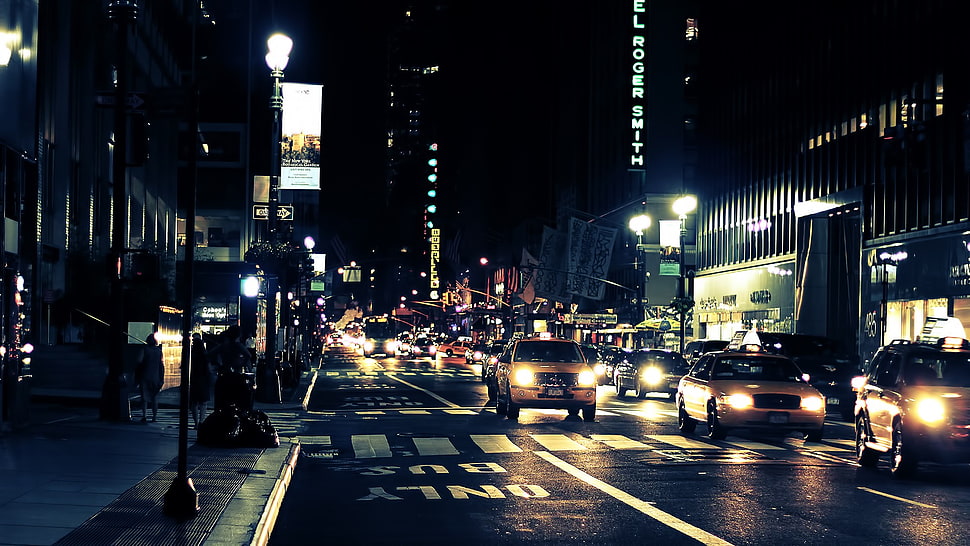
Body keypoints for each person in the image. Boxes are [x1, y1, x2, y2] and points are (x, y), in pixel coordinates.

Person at [135, 332, 165, 423]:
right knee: (154, 397)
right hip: (155, 377)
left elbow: (139, 361)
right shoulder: (159, 351)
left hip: (145, 376)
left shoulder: (144, 350)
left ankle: (144, 416)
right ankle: (154, 417)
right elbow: (161, 365)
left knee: (144, 397)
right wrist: (162, 378)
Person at [189, 332, 212, 428]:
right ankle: (202, 421)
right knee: (203, 402)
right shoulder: (205, 355)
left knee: (194, 403)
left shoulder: (192, 355)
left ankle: (196, 423)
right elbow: (209, 368)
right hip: (204, 379)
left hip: (194, 379)